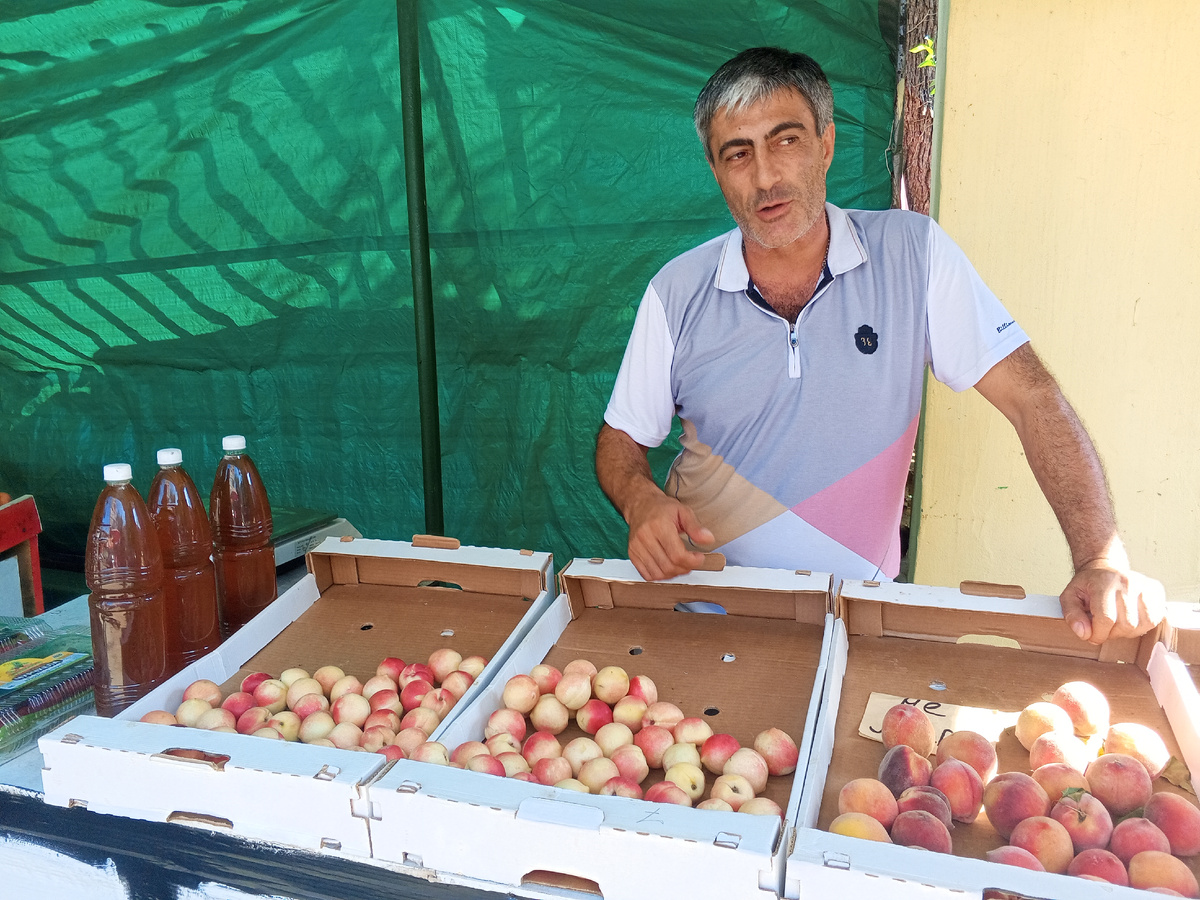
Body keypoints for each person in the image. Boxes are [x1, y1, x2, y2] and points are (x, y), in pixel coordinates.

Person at [595, 47, 1164, 644]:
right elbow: (621, 437)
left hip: (855, 621)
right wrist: (640, 501)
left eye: (785, 141)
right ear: (716, 171)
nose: (764, 177)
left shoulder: (911, 254)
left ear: (827, 144)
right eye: (738, 154)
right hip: (705, 613)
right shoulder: (676, 290)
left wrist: (1100, 559)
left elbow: (1032, 398)